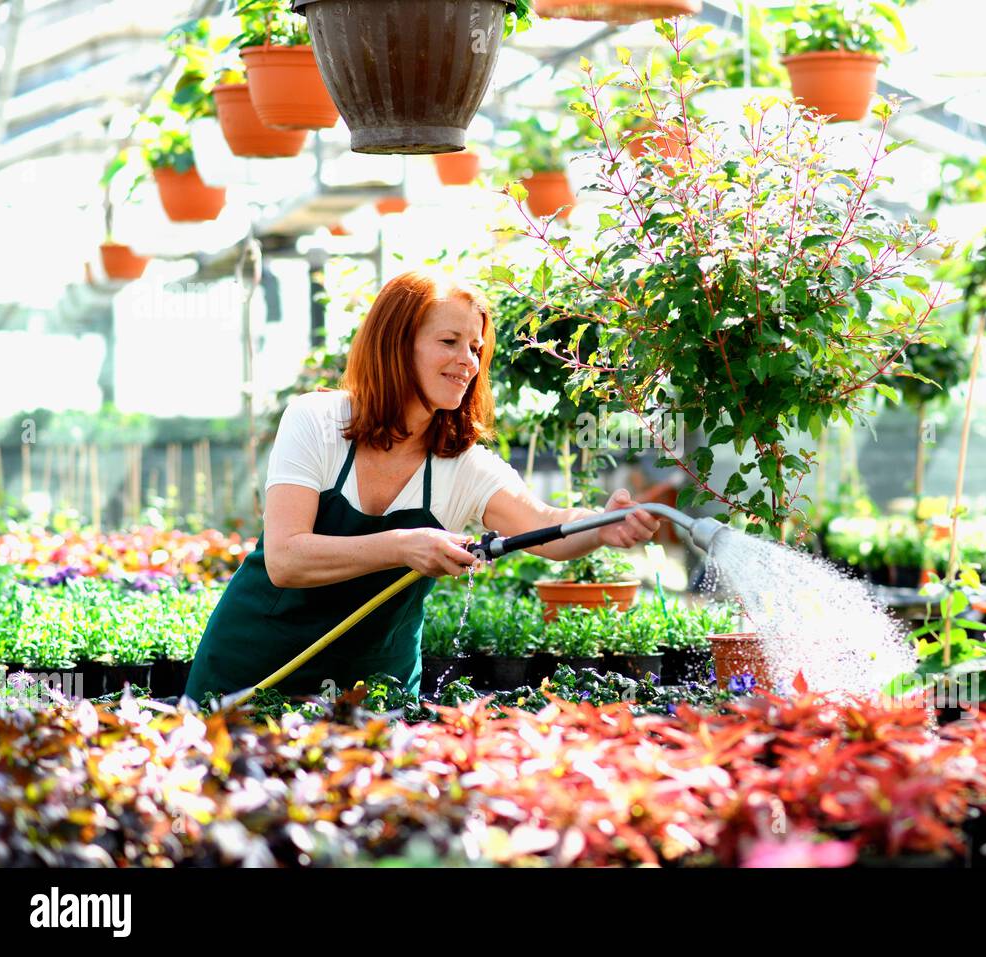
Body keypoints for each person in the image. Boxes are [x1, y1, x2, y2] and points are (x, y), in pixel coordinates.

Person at [184, 269, 659, 702]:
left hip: (373, 693)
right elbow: (286, 560)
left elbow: (546, 525)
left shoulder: (463, 465)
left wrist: (603, 526)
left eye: (475, 348)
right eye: (449, 341)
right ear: (396, 343)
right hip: (248, 677)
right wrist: (402, 546)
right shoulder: (318, 420)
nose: (468, 362)